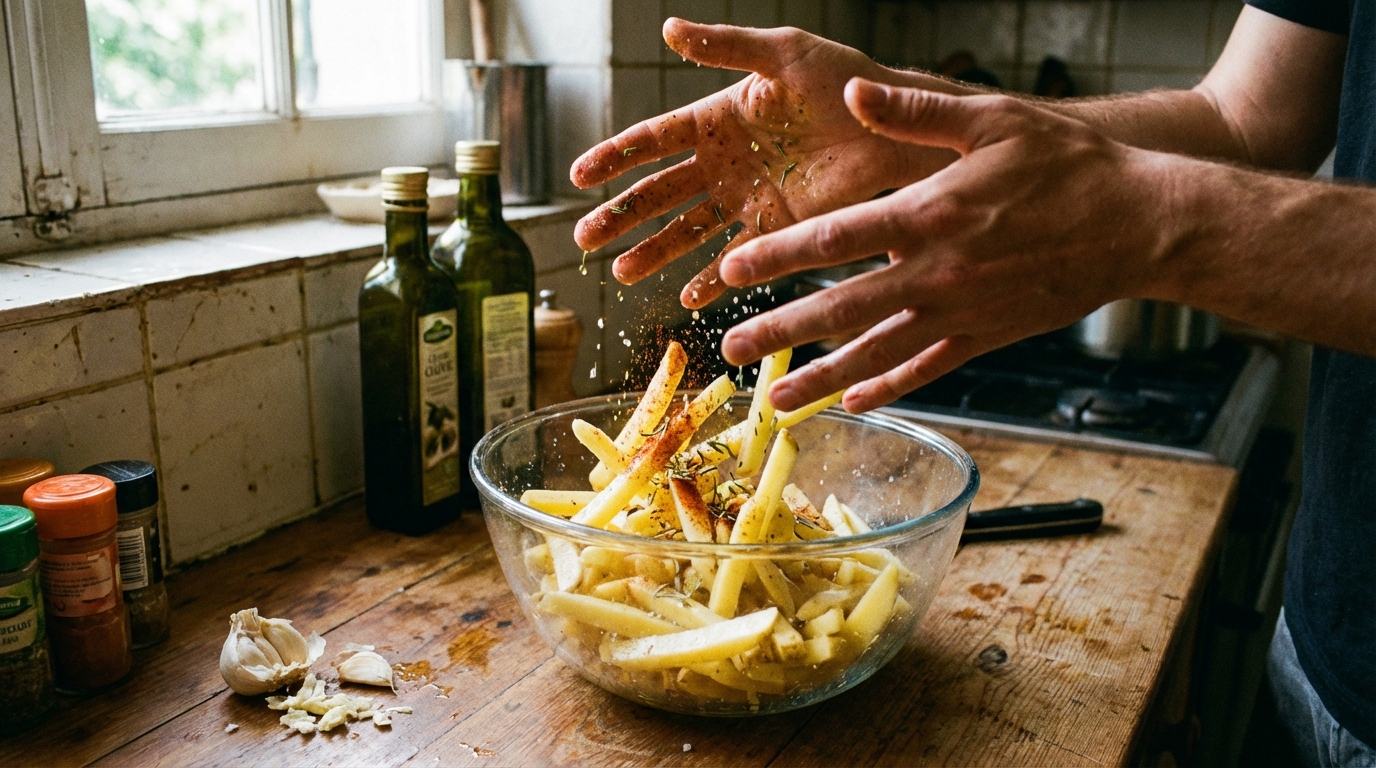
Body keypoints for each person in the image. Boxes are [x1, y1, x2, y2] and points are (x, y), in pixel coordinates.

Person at [571, 5, 1375, 765]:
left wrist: (1144, 219)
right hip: (1319, 641)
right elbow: (1242, 122)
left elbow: (1178, 181)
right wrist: (913, 125)